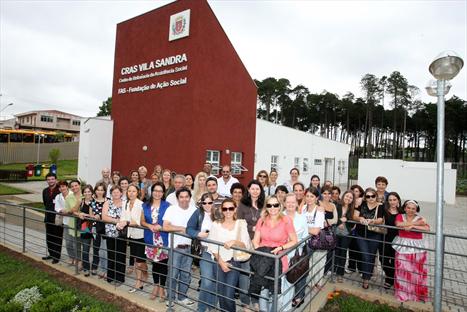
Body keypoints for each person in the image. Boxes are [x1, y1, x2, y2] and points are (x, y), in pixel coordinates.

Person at [251, 195, 297, 311]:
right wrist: (261, 252)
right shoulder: (261, 220)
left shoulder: (286, 220)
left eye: (275, 205)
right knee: (263, 290)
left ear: (280, 206)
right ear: (266, 207)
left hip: (278, 259)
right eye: (269, 205)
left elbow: (294, 241)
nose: (272, 208)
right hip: (263, 259)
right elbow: (255, 240)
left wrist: (281, 247)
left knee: (274, 293)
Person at [208, 199, 251, 312]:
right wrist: (221, 262)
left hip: (234, 261)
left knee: (228, 294)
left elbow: (245, 245)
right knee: (222, 294)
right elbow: (212, 246)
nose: (228, 211)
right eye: (225, 208)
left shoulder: (240, 224)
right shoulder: (216, 224)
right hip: (218, 261)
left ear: (235, 209)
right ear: (221, 210)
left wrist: (234, 241)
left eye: (230, 208)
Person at [162, 187, 197, 306]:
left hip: (189, 247)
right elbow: (165, 227)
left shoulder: (195, 210)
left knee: (186, 275)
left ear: (190, 198)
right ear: (177, 198)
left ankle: (182, 297)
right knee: (172, 274)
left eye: (186, 197)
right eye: (181, 197)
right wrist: (181, 229)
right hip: (175, 247)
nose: (184, 199)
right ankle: (170, 298)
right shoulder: (171, 209)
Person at [393, 200, 430, 302]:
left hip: (417, 246)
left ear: (416, 209)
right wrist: (418, 223)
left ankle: (416, 294)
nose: (410, 210)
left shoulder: (420, 218)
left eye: (413, 208)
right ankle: (403, 294)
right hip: (403, 245)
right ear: (405, 208)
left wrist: (413, 226)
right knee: (402, 269)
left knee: (416, 271)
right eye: (408, 208)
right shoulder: (400, 216)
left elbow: (427, 228)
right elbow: (398, 224)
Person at [236, 180, 265, 309]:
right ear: (248, 190)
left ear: (260, 191)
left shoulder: (264, 204)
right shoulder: (242, 204)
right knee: (245, 273)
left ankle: (255, 299)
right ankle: (245, 301)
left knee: (258, 273)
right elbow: (238, 223)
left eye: (257, 189)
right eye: (252, 188)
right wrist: (252, 228)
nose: (255, 191)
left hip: (261, 243)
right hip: (246, 243)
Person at [141, 182, 170, 301]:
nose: (157, 193)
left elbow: (170, 222)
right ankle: (156, 286)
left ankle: (162, 288)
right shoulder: (145, 205)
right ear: (151, 192)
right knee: (154, 264)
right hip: (150, 238)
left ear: (163, 193)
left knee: (162, 265)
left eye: (160, 191)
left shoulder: (167, 205)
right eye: (155, 190)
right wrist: (149, 225)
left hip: (163, 239)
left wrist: (161, 226)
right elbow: (142, 221)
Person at [186, 193, 215, 312]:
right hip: (205, 251)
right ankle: (201, 308)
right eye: (205, 203)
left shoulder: (218, 213)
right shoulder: (198, 213)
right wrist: (198, 234)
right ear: (201, 204)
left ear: (213, 203)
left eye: (210, 202)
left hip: (219, 252)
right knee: (207, 281)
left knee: (215, 280)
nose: (207, 205)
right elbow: (189, 228)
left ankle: (211, 305)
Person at [353, 187, 384, 289]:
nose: (370, 198)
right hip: (361, 234)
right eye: (368, 196)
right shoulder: (361, 204)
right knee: (365, 256)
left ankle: (367, 276)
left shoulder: (380, 206)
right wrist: (360, 218)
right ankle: (366, 279)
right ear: (365, 197)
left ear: (376, 196)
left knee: (371, 256)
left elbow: (380, 220)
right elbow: (354, 216)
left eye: (373, 196)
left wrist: (372, 221)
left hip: (374, 235)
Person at [283, 193, 308, 308]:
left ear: (297, 204)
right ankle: (282, 303)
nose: (290, 204)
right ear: (284, 203)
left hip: (296, 254)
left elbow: (306, 237)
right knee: (283, 281)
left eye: (293, 202)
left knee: (293, 278)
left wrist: (295, 243)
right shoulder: (280, 216)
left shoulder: (302, 218)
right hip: (282, 254)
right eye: (288, 202)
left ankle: (288, 304)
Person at [121, 184, 147, 292]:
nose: (131, 193)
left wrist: (125, 222)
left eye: (133, 191)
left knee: (140, 261)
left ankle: (141, 278)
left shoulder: (141, 205)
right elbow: (123, 217)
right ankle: (139, 281)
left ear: (138, 193)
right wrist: (121, 223)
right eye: (129, 191)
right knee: (136, 260)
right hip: (131, 235)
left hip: (140, 235)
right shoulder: (125, 203)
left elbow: (139, 222)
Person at [102, 185, 127, 285]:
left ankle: (120, 278)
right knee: (111, 254)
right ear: (111, 193)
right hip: (110, 233)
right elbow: (104, 217)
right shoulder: (107, 203)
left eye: (118, 192)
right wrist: (117, 220)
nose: (116, 194)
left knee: (120, 255)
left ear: (121, 193)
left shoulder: (125, 204)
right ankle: (110, 276)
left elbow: (127, 218)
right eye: (113, 192)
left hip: (121, 233)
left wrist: (114, 219)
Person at [303, 187, 326, 290]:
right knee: (308, 263)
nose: (309, 198)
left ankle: (317, 283)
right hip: (304, 241)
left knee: (318, 262)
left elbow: (316, 231)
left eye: (312, 196)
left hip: (317, 241)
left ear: (316, 198)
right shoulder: (303, 208)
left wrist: (302, 228)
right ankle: (310, 283)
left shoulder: (319, 210)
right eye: (307, 196)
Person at [379, 192, 403, 289]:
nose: (392, 202)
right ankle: (391, 276)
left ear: (398, 200)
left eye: (394, 199)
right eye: (390, 200)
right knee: (383, 259)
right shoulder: (384, 210)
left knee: (394, 260)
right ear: (387, 201)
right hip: (385, 238)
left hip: (398, 239)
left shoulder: (402, 211)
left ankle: (389, 280)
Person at [334, 190, 355, 282]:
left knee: (343, 253)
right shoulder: (336, 205)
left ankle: (340, 274)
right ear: (343, 196)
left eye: (351, 197)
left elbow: (353, 222)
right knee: (336, 251)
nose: (348, 198)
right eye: (347, 196)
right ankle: (333, 269)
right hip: (336, 232)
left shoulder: (352, 209)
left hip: (346, 234)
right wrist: (340, 222)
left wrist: (346, 220)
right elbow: (334, 218)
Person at [42, 173, 61, 263]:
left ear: (56, 180)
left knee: (57, 237)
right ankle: (51, 254)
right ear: (47, 181)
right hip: (48, 218)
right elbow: (46, 203)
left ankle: (56, 257)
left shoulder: (60, 190)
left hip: (57, 218)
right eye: (48, 179)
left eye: (52, 179)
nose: (50, 181)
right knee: (49, 237)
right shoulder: (45, 191)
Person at [76, 184, 94, 276]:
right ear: (83, 193)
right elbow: (74, 210)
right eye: (85, 192)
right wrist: (79, 213)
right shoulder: (81, 201)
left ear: (92, 192)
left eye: (89, 191)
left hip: (94, 226)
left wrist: (87, 215)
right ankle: (86, 267)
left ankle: (95, 267)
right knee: (86, 248)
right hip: (85, 226)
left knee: (96, 248)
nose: (87, 193)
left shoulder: (95, 201)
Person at [90, 182, 107, 278]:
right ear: (95, 190)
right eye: (98, 190)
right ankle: (95, 265)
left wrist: (100, 216)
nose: (100, 192)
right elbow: (90, 214)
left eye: (102, 190)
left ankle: (105, 268)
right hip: (95, 228)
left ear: (104, 191)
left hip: (105, 228)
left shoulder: (108, 201)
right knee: (96, 247)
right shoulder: (92, 201)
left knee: (104, 249)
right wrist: (93, 216)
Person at [64, 179, 82, 267]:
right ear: (70, 188)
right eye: (72, 186)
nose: (74, 187)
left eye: (76, 185)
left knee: (85, 243)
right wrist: (78, 202)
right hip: (73, 223)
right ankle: (78, 259)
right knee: (76, 242)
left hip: (85, 224)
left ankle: (83, 260)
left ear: (79, 185)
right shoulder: (69, 197)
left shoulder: (85, 194)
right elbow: (72, 210)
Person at [320, 186, 338, 275]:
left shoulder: (333, 205)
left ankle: (325, 271)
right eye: (325, 193)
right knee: (320, 255)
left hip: (329, 233)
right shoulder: (318, 203)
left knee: (329, 254)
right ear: (321, 194)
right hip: (319, 233)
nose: (327, 195)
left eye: (329, 193)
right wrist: (323, 222)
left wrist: (326, 222)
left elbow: (335, 219)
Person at [347, 184, 364, 273]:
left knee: (360, 248)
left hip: (360, 229)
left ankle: (361, 269)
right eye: (353, 191)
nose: (354, 193)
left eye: (356, 191)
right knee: (352, 248)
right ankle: (351, 267)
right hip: (351, 229)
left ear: (360, 193)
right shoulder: (349, 201)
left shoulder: (362, 202)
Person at [54, 180, 71, 264]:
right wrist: (61, 210)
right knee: (68, 242)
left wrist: (67, 211)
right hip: (65, 222)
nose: (62, 188)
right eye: (60, 187)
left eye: (63, 186)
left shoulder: (72, 194)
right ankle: (71, 258)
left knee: (75, 242)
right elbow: (57, 208)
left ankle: (78, 259)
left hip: (74, 221)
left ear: (67, 186)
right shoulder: (58, 196)